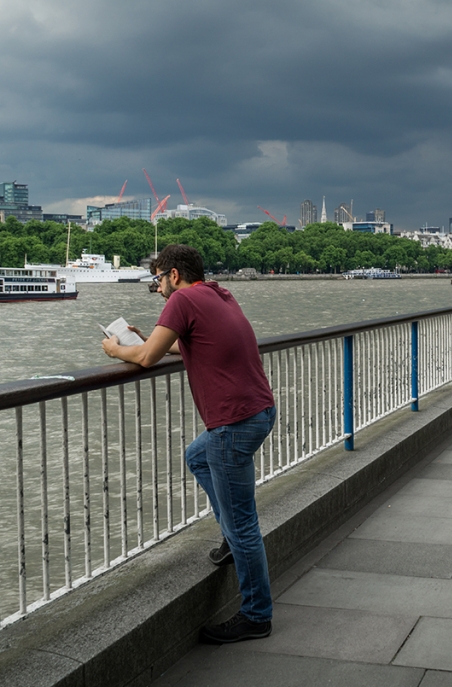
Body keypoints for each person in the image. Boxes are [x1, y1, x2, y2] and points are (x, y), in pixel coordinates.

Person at [102, 244, 278, 644]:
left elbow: (145, 359)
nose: (158, 288)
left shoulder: (181, 300)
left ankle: (256, 614)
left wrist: (117, 349)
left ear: (174, 276)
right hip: (260, 411)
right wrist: (155, 341)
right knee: (197, 457)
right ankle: (232, 540)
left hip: (233, 423)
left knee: (244, 523)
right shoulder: (218, 293)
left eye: (158, 280)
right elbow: (193, 343)